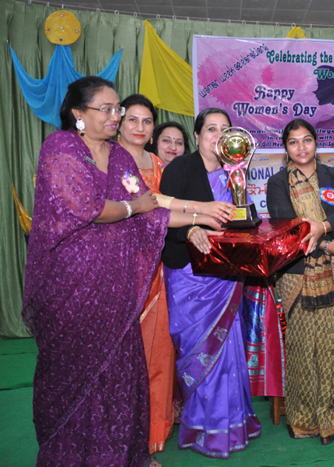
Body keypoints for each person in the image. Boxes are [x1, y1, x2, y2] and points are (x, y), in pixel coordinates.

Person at [22, 76, 217, 466]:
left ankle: (123, 456)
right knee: (76, 375)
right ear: (78, 113)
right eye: (107, 109)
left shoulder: (120, 157)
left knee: (120, 375)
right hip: (71, 288)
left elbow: (152, 212)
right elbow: (89, 208)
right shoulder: (61, 148)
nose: (115, 116)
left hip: (117, 290)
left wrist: (202, 215)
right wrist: (134, 208)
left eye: (118, 109)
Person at [118, 94, 235, 454]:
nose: (140, 127)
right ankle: (126, 435)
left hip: (200, 272)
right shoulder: (117, 162)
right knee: (130, 355)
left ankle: (162, 430)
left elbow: (164, 206)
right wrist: (197, 220)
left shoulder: (161, 164)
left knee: (161, 355)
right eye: (133, 120)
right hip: (134, 267)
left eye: (146, 121)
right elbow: (159, 209)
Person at [266, 118, 334, 444]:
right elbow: (287, 225)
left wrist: (323, 228)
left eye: (307, 140)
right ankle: (307, 418)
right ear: (285, 148)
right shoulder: (277, 183)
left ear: (316, 143)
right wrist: (326, 243)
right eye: (293, 142)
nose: (301, 147)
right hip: (298, 274)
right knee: (304, 347)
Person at [160, 107, 261, 458]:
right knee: (198, 352)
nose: (218, 136)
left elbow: (245, 220)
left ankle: (232, 422)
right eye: (211, 129)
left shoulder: (236, 174)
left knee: (228, 353)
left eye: (224, 130)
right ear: (198, 135)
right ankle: (203, 427)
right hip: (189, 276)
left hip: (225, 277)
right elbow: (162, 217)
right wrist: (191, 229)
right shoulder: (180, 169)